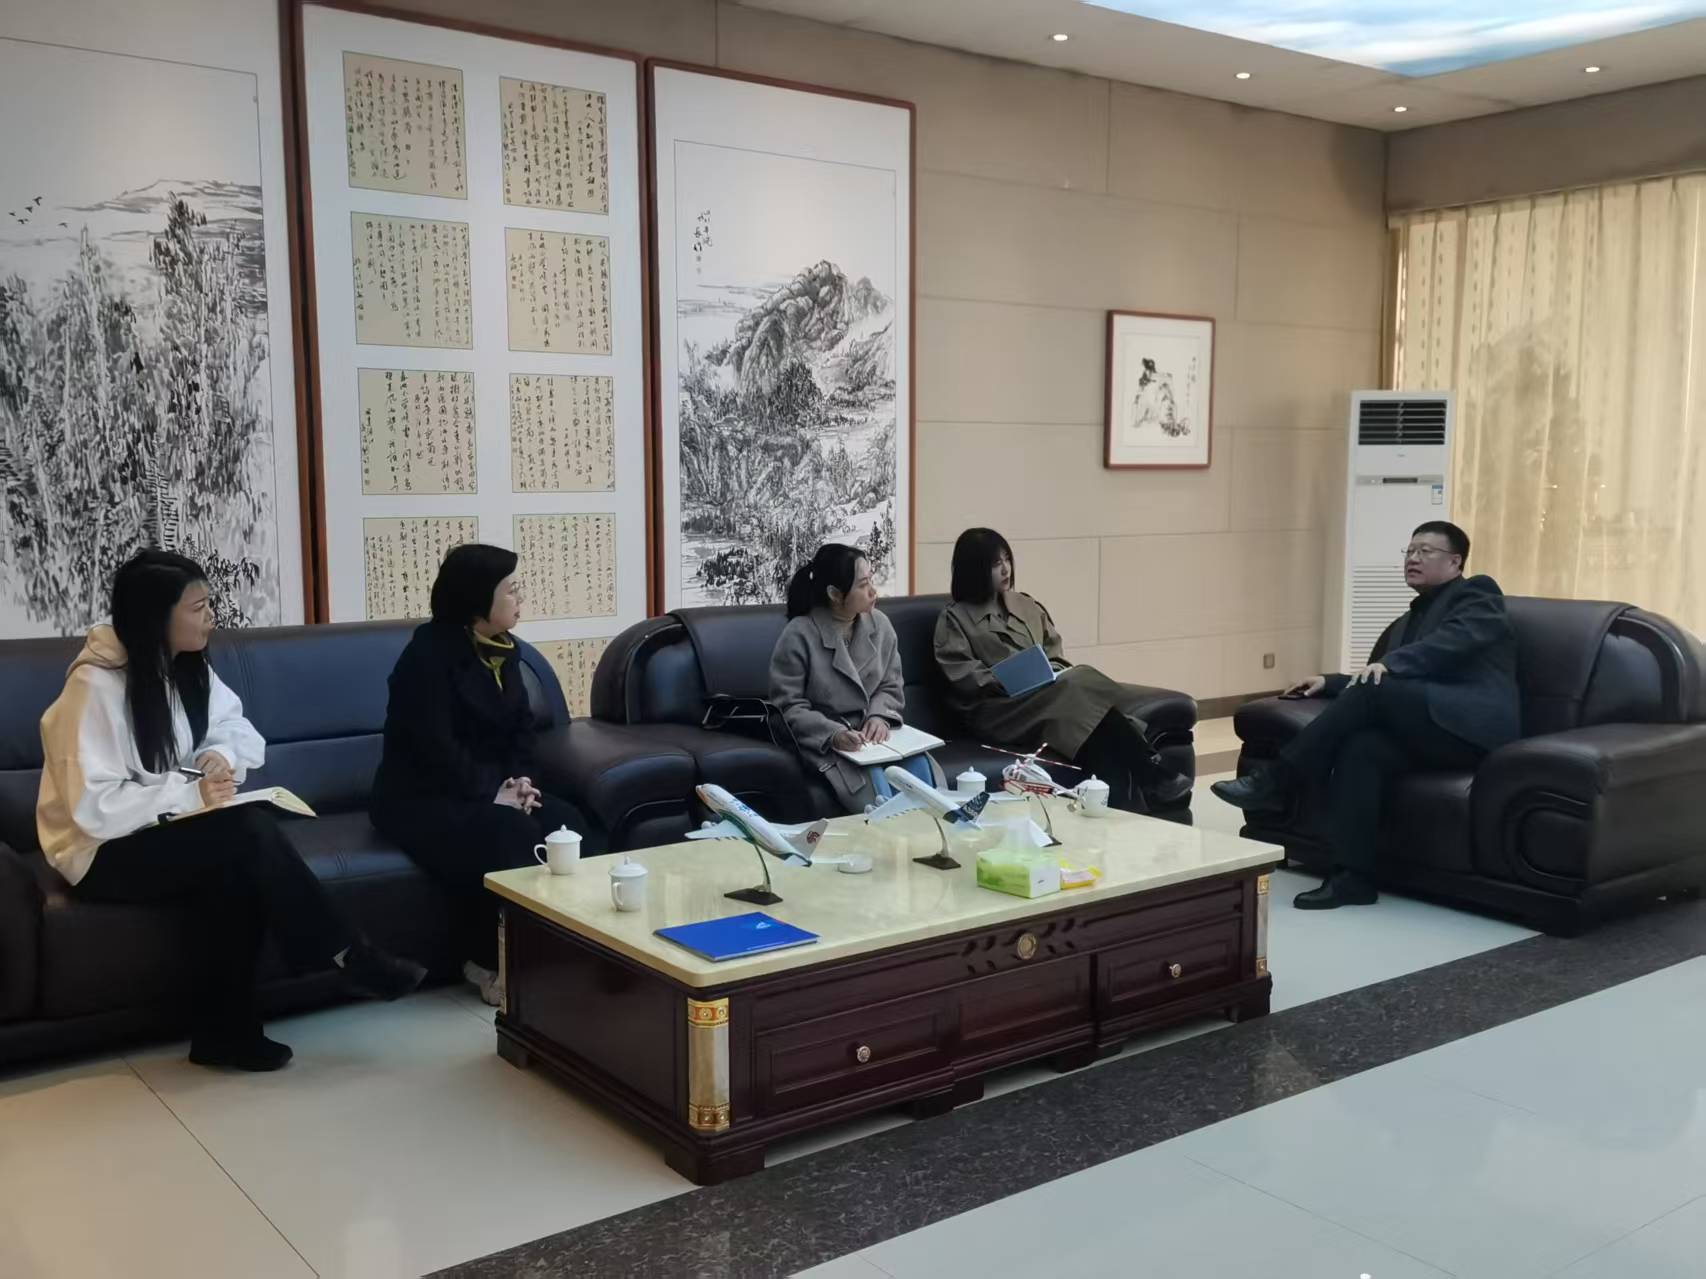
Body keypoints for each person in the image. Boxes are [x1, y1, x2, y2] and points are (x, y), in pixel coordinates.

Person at [36, 550, 425, 1072]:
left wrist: (218, 754)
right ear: (156, 616)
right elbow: (93, 808)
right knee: (247, 831)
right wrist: (190, 795)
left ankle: (227, 1035)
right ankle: (348, 954)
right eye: (198, 608)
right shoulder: (93, 686)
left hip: (168, 831)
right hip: (100, 852)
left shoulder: (186, 665)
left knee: (238, 866)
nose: (211, 618)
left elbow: (236, 728)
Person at [1212, 521, 1520, 910]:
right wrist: (1330, 682)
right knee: (1363, 749)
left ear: (1455, 562)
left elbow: (1451, 644)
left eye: (1425, 551)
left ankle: (1277, 781)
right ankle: (1352, 878)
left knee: (1374, 696)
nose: (1413, 558)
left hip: (1471, 728)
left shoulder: (1478, 594)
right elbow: (1376, 678)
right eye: (1410, 551)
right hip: (1430, 729)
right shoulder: (1407, 620)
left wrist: (1391, 665)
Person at [370, 543, 607, 1006]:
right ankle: (489, 961)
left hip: (494, 788)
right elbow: (434, 747)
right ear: (478, 602)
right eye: (511, 591)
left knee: (569, 825)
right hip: (422, 797)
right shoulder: (425, 659)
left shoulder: (504, 651)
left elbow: (522, 731)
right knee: (507, 832)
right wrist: (491, 793)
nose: (521, 598)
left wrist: (522, 783)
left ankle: (577, 950)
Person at [933, 527, 1191, 813]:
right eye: (995, 564)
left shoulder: (1026, 604)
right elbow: (962, 672)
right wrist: (1006, 679)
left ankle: (1123, 802)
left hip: (1045, 694)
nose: (1006, 569)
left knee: (1083, 708)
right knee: (1078, 690)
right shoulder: (955, 618)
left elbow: (1053, 650)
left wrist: (1049, 673)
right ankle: (1151, 771)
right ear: (974, 569)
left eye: (1007, 559)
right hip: (999, 709)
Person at [769, 543, 937, 814]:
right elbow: (788, 707)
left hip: (879, 739)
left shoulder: (880, 625)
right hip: (828, 743)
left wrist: (879, 716)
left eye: (871, 579)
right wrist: (834, 734)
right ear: (835, 594)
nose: (873, 591)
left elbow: (890, 683)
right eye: (862, 584)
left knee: (921, 775)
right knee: (877, 789)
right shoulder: (799, 634)